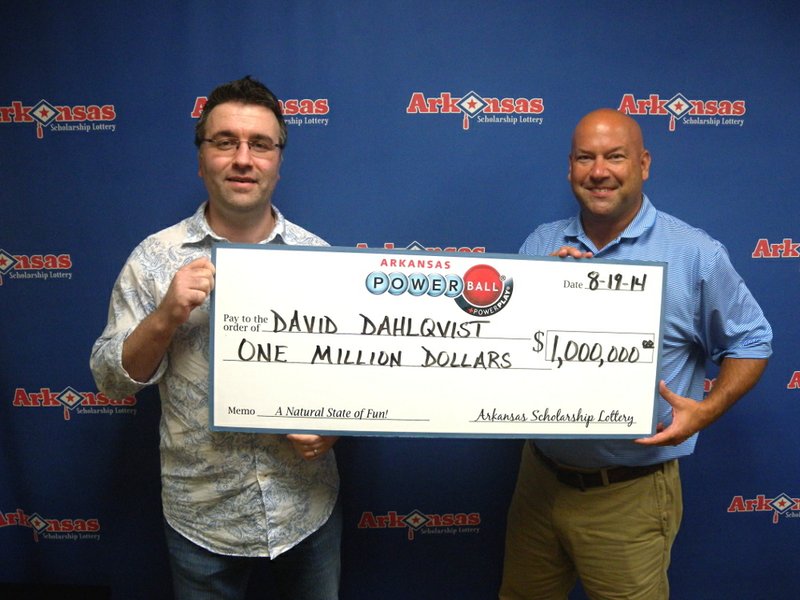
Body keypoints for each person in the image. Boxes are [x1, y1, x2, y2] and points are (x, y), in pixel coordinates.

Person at [499, 108, 772, 600]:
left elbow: (752, 341)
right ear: (570, 168)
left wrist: (706, 410)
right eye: (585, 157)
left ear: (643, 164)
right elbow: (504, 346)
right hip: (538, 481)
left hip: (628, 493)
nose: (598, 171)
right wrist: (542, 289)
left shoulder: (694, 254)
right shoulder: (541, 244)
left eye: (614, 157)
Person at [90, 76, 341, 600]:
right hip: (203, 517)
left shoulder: (319, 257)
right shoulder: (155, 258)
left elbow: (348, 376)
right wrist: (165, 316)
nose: (243, 158)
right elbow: (111, 383)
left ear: (278, 160)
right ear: (201, 157)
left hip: (304, 509)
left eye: (260, 145)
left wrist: (333, 430)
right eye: (225, 142)